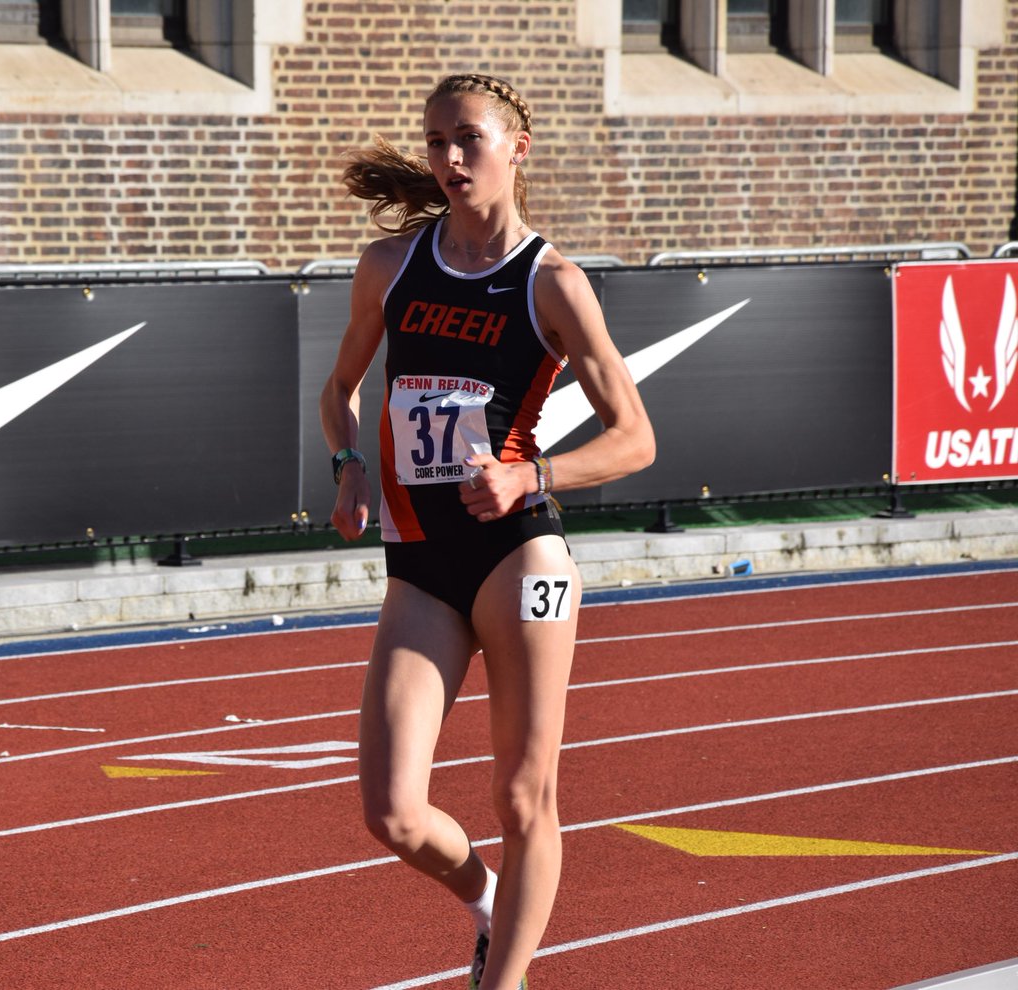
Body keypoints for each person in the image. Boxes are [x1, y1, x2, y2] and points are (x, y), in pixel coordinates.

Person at [319, 73, 655, 990]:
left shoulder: (553, 284)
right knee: (390, 812)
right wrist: (348, 468)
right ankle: (486, 903)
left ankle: (502, 983)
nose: (449, 159)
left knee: (521, 793)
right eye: (434, 142)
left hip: (519, 553)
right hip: (422, 560)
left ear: (517, 148)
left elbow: (637, 438)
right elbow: (339, 392)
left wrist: (529, 474)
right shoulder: (390, 268)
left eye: (468, 139)